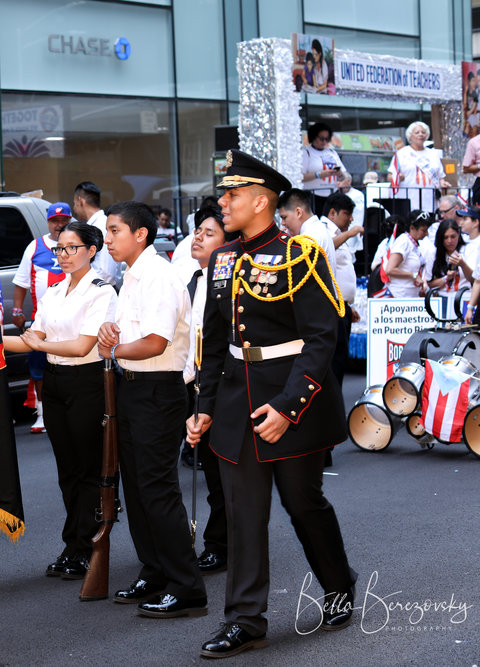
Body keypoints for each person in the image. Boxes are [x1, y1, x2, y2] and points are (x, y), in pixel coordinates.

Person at [187, 150, 356, 658]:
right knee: (243, 513)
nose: (223, 201)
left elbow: (322, 339)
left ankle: (338, 586)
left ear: (261, 201)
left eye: (232, 194)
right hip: (238, 403)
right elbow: (214, 346)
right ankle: (244, 620)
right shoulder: (221, 260)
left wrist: (287, 406)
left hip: (291, 399)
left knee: (303, 504)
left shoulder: (299, 256)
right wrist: (205, 407)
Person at [95, 201, 207, 619]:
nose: (107, 238)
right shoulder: (132, 275)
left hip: (157, 390)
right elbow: (127, 333)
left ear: (140, 234)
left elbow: (156, 342)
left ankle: (187, 586)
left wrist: (113, 348)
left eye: (114, 230)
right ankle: (156, 569)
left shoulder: (158, 274)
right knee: (138, 490)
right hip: (133, 387)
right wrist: (112, 336)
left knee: (158, 490)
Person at [2, 221, 117, 581]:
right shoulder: (54, 292)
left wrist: (39, 344)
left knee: (88, 467)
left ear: (91, 250)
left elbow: (84, 345)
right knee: (67, 468)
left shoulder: (102, 292)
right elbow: (30, 338)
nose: (63, 255)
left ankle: (84, 546)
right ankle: (76, 543)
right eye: (59, 249)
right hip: (54, 381)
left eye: (71, 248)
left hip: (87, 381)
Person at [182, 206, 237, 575]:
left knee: (222, 473)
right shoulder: (193, 280)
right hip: (193, 381)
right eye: (197, 231)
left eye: (209, 232)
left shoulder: (230, 282)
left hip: (221, 383)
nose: (198, 238)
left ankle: (222, 544)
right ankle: (217, 541)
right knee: (207, 470)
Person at [12, 202, 69, 434]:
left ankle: (66, 410)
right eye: (55, 221)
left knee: (67, 366)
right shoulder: (35, 247)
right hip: (41, 321)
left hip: (70, 321)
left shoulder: (77, 245)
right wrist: (17, 310)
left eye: (64, 220)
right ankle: (43, 415)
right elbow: (21, 282)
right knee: (39, 370)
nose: (60, 225)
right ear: (48, 222)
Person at [322, 192, 359, 389]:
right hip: (331, 305)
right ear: (333, 213)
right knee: (335, 358)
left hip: (341, 305)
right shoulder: (323, 231)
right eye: (347, 213)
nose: (351, 218)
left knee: (340, 357)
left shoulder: (336, 233)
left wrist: (348, 305)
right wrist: (349, 234)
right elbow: (323, 250)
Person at [388, 121, 450, 212]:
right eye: (417, 132)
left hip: (429, 199)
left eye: (423, 132)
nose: (420, 134)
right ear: (410, 136)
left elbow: (440, 176)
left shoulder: (433, 154)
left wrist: (443, 183)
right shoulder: (401, 153)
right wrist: (398, 177)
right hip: (408, 198)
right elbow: (390, 175)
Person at [277, 189, 338, 281]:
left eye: (284, 217)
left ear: (298, 212)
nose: (283, 223)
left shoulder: (311, 235)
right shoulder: (315, 229)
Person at [72, 181, 122, 286]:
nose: (74, 209)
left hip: (100, 291)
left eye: (74, 203)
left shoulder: (103, 226)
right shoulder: (95, 225)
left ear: (81, 201)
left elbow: (106, 273)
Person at [383, 211, 432, 298]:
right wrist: (413, 275)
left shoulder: (414, 244)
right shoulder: (403, 242)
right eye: (423, 230)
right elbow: (390, 270)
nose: (426, 233)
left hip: (410, 297)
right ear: (412, 228)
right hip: (398, 297)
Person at [427, 218, 468, 299]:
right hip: (442, 298)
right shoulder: (434, 253)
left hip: (465, 297)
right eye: (445, 237)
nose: (449, 241)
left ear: (459, 234)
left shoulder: (467, 249)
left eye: (453, 236)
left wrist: (462, 264)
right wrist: (446, 278)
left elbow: (475, 278)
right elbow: (429, 283)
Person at [301, 123, 345, 195]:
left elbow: (344, 175)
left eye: (327, 139)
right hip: (313, 194)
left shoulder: (332, 152)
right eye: (321, 139)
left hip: (332, 193)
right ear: (313, 137)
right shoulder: (306, 153)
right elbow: (300, 177)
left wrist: (340, 174)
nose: (324, 142)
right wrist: (318, 175)